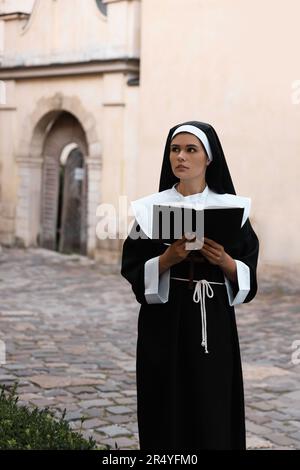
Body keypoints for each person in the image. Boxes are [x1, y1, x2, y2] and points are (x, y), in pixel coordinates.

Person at [121, 121, 259, 450]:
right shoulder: (150, 209)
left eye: (190, 149)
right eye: (175, 149)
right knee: (165, 400)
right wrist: (167, 258)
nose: (181, 157)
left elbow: (249, 268)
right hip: (163, 321)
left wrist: (225, 261)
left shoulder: (231, 209)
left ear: (209, 158)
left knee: (212, 401)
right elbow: (131, 266)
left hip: (212, 317)